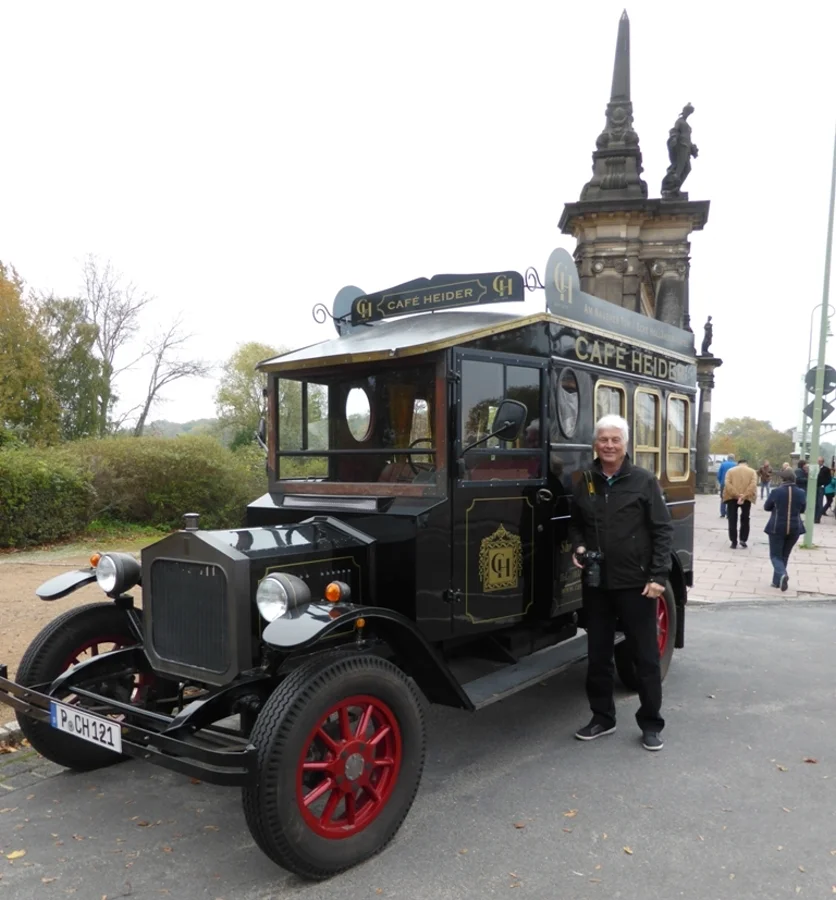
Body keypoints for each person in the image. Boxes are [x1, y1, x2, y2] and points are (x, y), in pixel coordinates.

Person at [569, 414, 673, 752]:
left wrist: (658, 577)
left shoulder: (643, 480)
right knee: (598, 655)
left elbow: (661, 529)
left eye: (615, 440)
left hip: (636, 583)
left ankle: (651, 723)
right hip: (597, 582)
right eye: (603, 440)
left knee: (644, 656)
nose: (609, 445)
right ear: (595, 444)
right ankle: (602, 717)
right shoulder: (584, 480)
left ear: (625, 444)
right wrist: (579, 547)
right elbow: (576, 523)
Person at [763, 468, 806, 591]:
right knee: (785, 555)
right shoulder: (801, 492)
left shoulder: (776, 492)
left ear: (782, 479)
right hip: (795, 527)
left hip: (777, 526)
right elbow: (803, 509)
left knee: (775, 555)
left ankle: (782, 575)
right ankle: (777, 582)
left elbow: (767, 507)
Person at [723, 458, 757, 549]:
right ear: (747, 464)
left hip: (731, 497)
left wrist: (737, 495)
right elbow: (753, 485)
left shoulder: (730, 471)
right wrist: (744, 496)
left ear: (738, 464)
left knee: (732, 519)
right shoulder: (752, 472)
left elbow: (727, 483)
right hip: (746, 498)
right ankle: (743, 539)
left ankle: (733, 541)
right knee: (745, 518)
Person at [717, 454, 737, 518]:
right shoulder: (735, 465)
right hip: (732, 484)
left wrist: (721, 482)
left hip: (724, 483)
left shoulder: (723, 464)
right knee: (731, 498)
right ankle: (729, 514)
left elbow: (719, 475)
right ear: (733, 458)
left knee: (723, 498)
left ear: (728, 458)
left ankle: (722, 513)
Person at [815, 456, 831, 524]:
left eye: (820, 461)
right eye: (818, 461)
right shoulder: (815, 468)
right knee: (814, 503)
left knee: (819, 503)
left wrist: (824, 485)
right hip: (814, 487)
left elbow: (829, 479)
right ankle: (814, 517)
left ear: (822, 462)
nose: (818, 462)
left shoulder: (826, 469)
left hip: (821, 487)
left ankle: (817, 518)